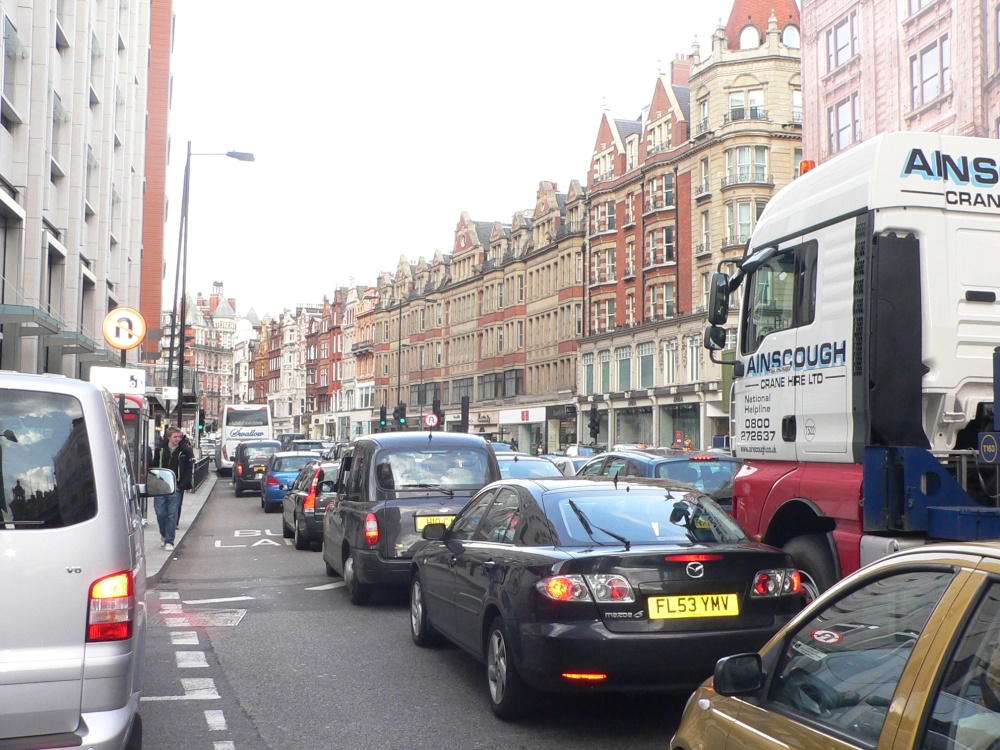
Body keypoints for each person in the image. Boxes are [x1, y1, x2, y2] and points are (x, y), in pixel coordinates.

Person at [153, 426, 193, 551]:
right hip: (161, 486)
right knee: (160, 513)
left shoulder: (185, 451)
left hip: (176, 487)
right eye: (175, 437)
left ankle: (169, 541)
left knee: (172, 514)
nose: (177, 439)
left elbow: (188, 469)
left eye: (179, 437)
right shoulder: (160, 450)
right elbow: (154, 466)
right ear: (169, 437)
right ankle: (164, 534)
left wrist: (181, 485)